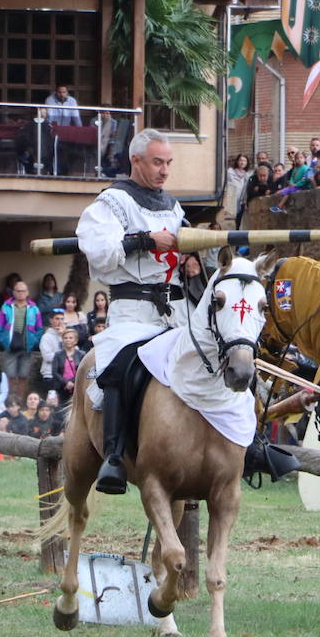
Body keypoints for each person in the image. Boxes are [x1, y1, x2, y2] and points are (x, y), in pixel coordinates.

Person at [74, 127, 190, 492]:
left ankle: (249, 446)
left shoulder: (174, 207)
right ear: (136, 160)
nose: (164, 170)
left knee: (219, 355)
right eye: (157, 162)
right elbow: (100, 252)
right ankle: (113, 456)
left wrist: (193, 255)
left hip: (177, 310)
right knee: (120, 366)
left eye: (169, 163)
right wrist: (145, 240)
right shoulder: (112, 202)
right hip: (132, 311)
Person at [0, 281, 41, 384]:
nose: (21, 293)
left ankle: (21, 395)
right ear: (14, 292)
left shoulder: (34, 308)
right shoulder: (6, 307)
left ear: (27, 292)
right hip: (10, 346)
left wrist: (34, 341)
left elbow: (39, 328)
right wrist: (3, 341)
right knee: (10, 375)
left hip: (26, 347)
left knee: (24, 376)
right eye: (18, 291)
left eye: (23, 291)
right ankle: (11, 395)